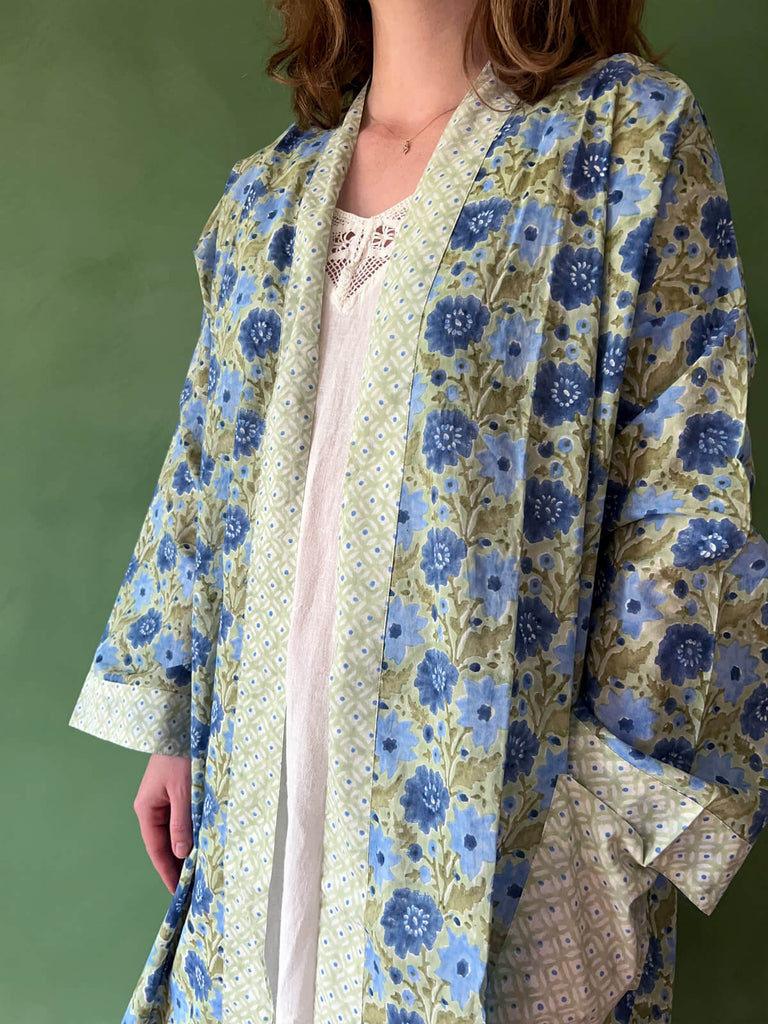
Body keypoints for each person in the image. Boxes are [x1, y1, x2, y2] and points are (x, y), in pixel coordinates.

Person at [68, 1, 768, 1022]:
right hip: (260, 807)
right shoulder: (266, 196)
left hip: (494, 832)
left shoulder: (624, 141)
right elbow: (206, 465)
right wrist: (173, 720)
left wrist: (608, 832)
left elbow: (688, 495)